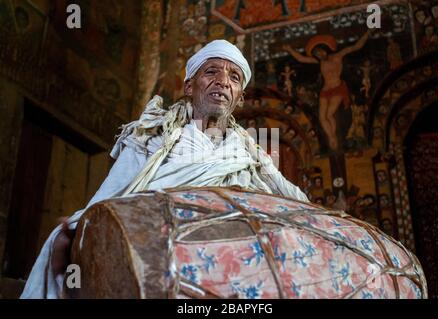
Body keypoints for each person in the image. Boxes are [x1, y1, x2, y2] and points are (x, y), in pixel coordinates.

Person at [21, 39, 309, 299]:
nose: (222, 81)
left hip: (227, 265)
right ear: (188, 86)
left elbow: (295, 205)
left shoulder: (253, 155)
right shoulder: (153, 135)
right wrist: (78, 228)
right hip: (157, 258)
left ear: (240, 97)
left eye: (234, 77)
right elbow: (114, 194)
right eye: (211, 72)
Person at [283, 31, 370, 150]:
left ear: (326, 48)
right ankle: (331, 137)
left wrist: (368, 32)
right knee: (322, 117)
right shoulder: (319, 62)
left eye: (320, 51)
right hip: (325, 91)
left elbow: (356, 46)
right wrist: (289, 49)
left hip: (338, 88)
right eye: (316, 54)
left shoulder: (338, 56)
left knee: (329, 115)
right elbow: (301, 58)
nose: (319, 55)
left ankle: (334, 138)